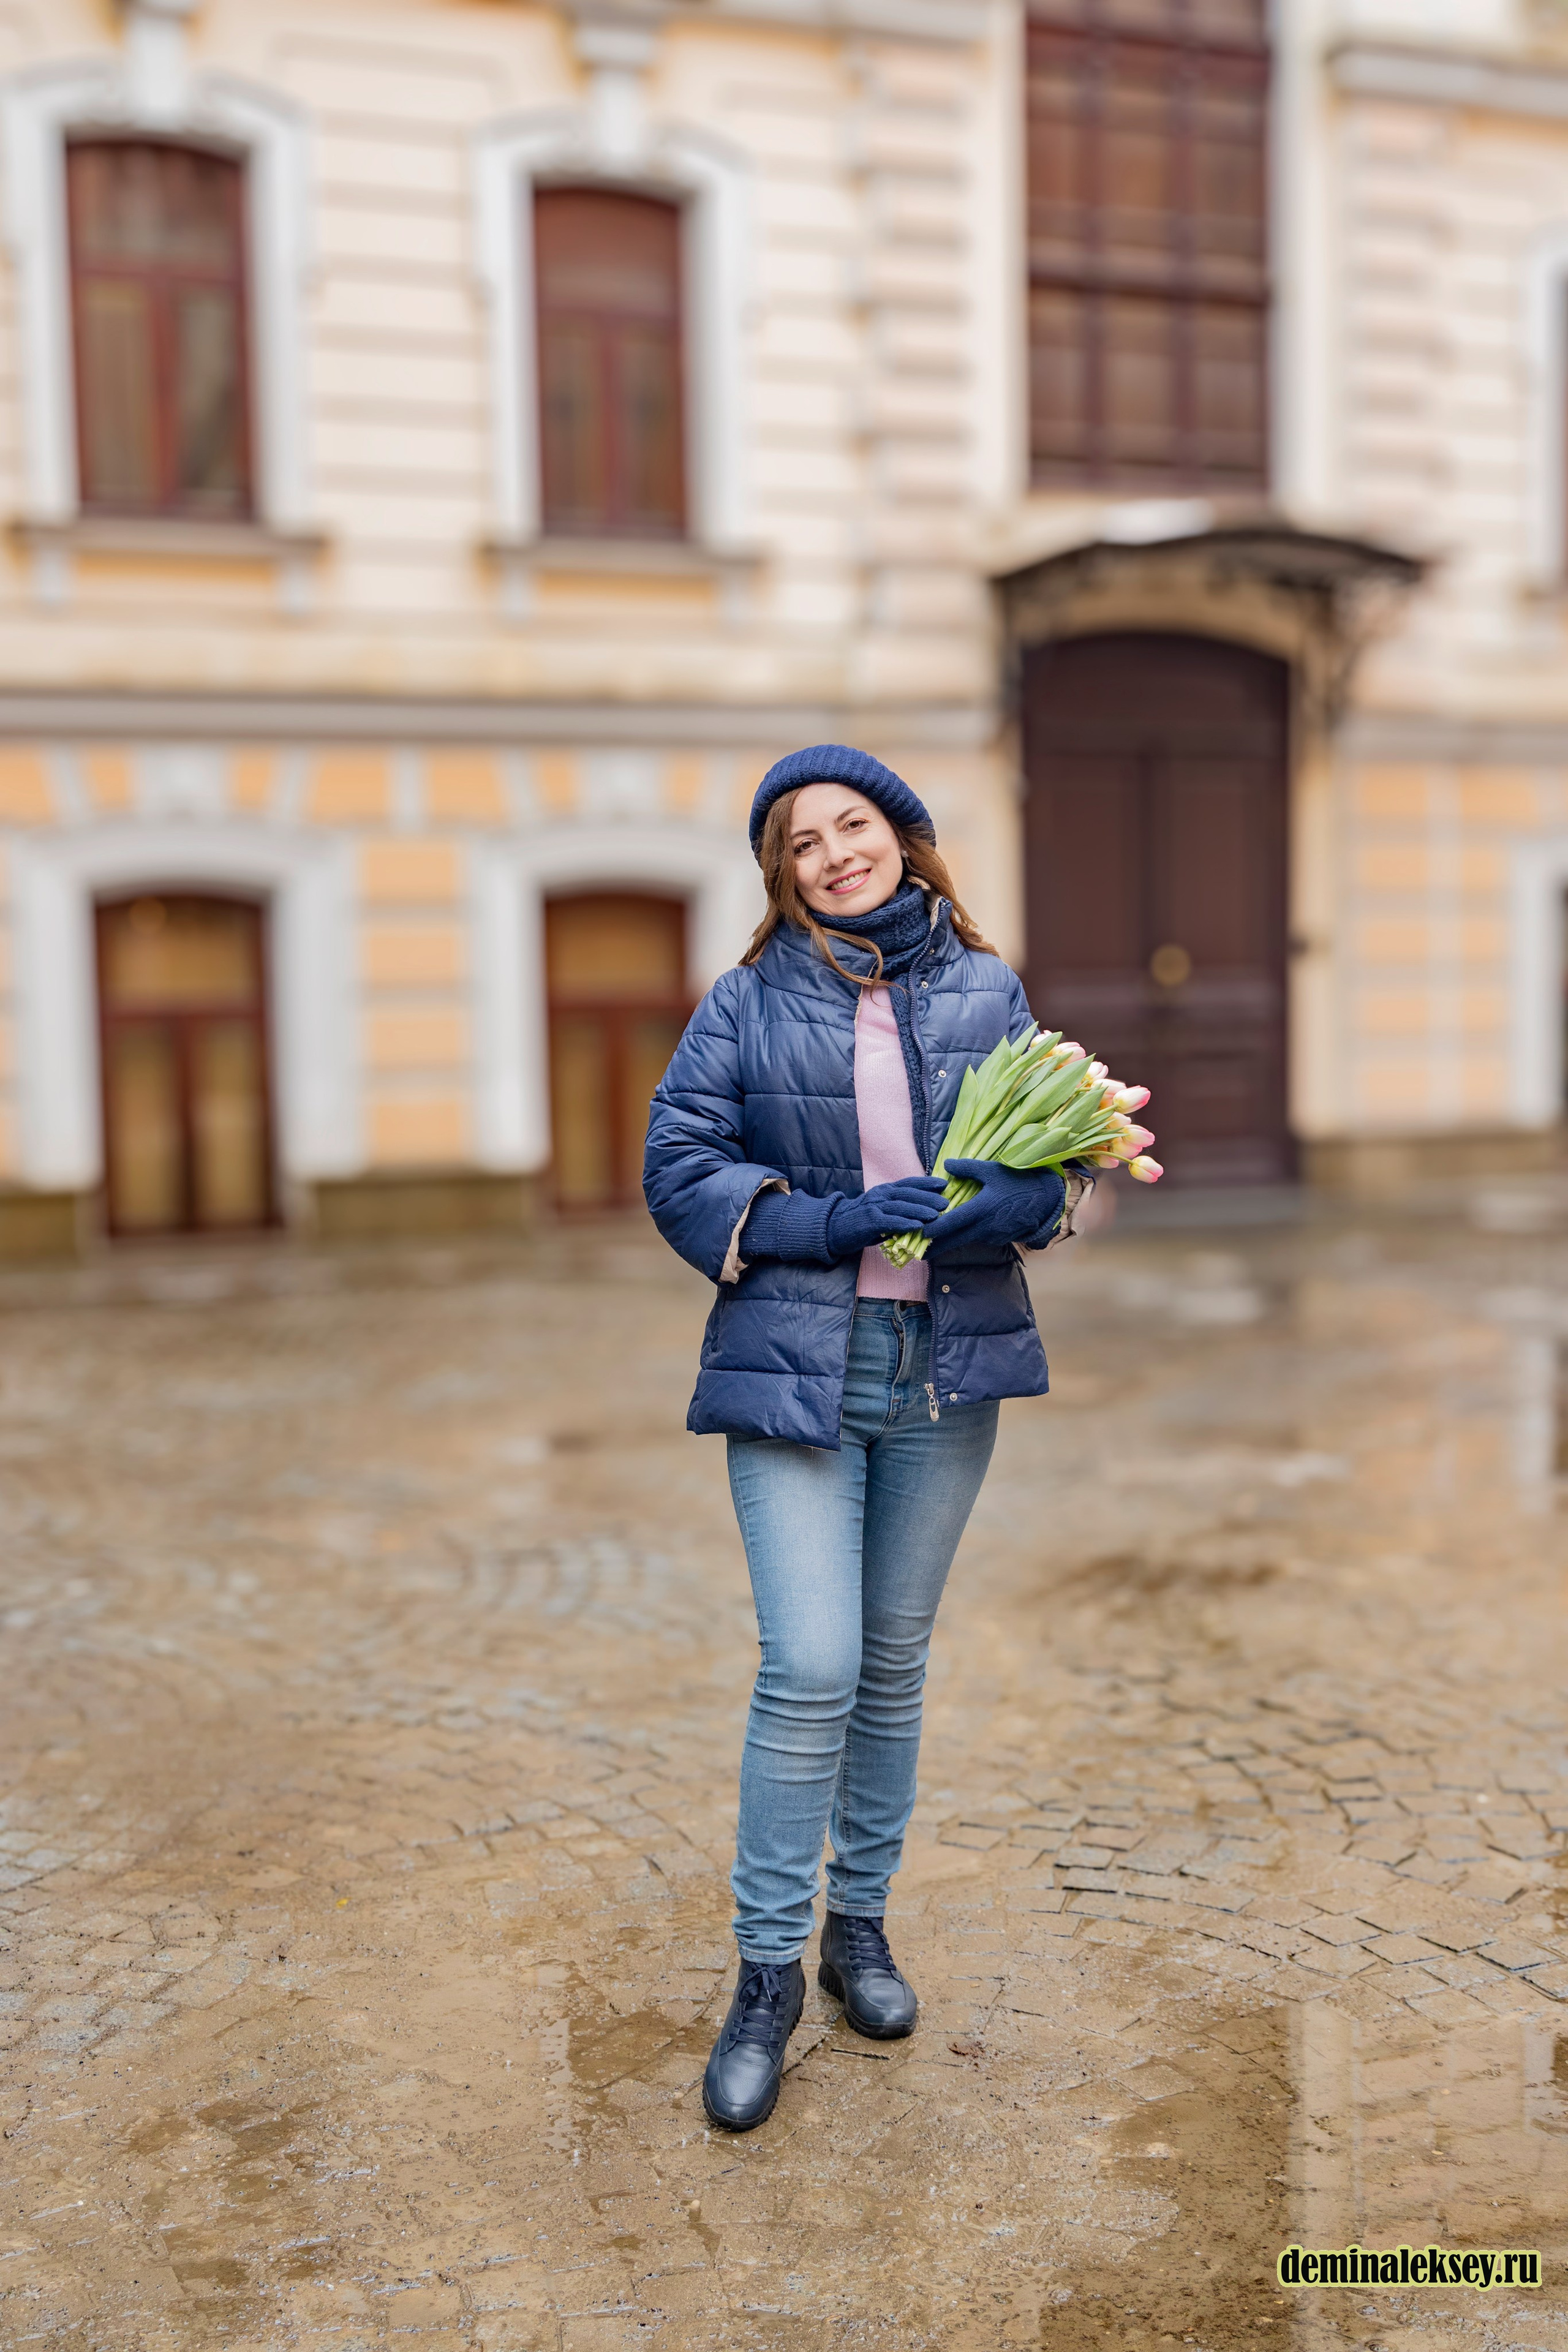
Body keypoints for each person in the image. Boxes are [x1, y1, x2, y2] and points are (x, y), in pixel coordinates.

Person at [643, 744, 1082, 2133]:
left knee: (889, 1665)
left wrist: (1014, 1201)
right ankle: (764, 1976)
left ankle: (860, 1936)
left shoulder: (982, 985)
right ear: (780, 876)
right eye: (800, 841)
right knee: (811, 1665)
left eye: (854, 824)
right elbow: (678, 1167)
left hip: (941, 1371)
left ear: (901, 835)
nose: (836, 852)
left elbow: (1051, 1170)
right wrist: (834, 1218)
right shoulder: (743, 999)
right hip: (798, 1371)